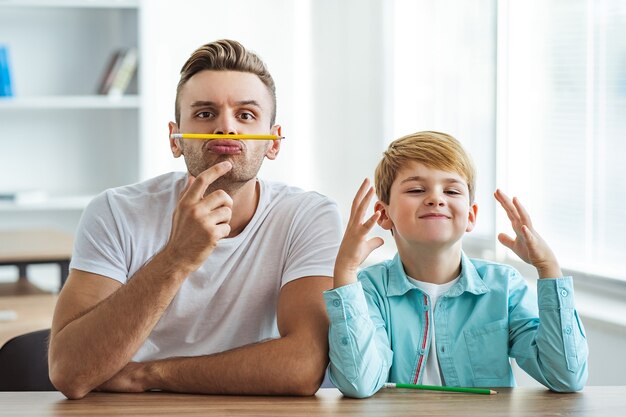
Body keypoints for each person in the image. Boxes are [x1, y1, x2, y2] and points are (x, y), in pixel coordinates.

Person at [49, 39, 342, 399]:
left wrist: (148, 374)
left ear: (274, 142)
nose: (226, 129)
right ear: (175, 139)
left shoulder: (308, 216)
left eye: (246, 115)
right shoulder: (115, 211)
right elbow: (70, 372)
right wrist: (177, 257)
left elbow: (303, 366)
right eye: (205, 114)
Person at [324, 131, 588, 398]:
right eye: (416, 190)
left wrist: (548, 269)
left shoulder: (505, 287)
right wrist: (345, 271)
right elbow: (359, 383)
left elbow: (566, 377)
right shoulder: (368, 290)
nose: (436, 199)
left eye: (451, 190)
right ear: (383, 214)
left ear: (471, 216)